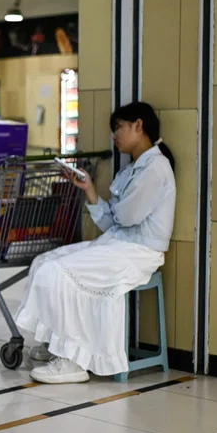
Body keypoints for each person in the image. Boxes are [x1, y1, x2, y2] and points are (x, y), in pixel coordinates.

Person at [17, 101, 176, 384]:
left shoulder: (156, 168)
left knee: (59, 272)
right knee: (45, 261)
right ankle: (57, 344)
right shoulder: (134, 169)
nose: (115, 135)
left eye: (119, 127)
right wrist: (89, 188)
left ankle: (73, 360)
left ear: (139, 126)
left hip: (138, 253)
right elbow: (115, 223)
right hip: (117, 244)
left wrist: (116, 211)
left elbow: (126, 218)